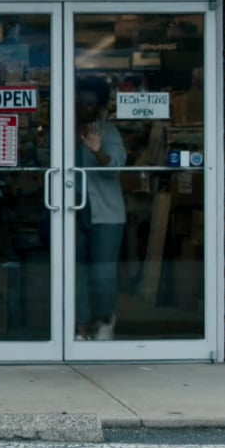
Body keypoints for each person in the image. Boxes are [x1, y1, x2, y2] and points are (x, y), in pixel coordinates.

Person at [74, 76, 127, 342]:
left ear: (100, 107)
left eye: (90, 104)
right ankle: (81, 326)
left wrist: (97, 152)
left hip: (105, 211)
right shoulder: (62, 130)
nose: (84, 108)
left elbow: (116, 165)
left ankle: (104, 322)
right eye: (80, 102)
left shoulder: (107, 132)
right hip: (70, 208)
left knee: (103, 272)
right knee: (75, 270)